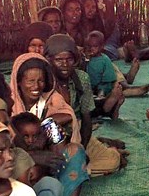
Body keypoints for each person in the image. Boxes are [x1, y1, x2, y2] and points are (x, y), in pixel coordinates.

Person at [44, 34, 124, 176]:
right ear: (49, 60)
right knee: (52, 170)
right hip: (51, 142)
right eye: (58, 60)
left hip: (78, 135)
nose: (64, 64)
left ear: (75, 59)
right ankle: (80, 171)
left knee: (112, 161)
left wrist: (82, 149)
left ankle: (80, 169)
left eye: (69, 59)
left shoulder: (81, 78)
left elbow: (87, 118)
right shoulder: (44, 81)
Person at [10, 112, 91, 196]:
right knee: (47, 184)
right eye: (25, 136)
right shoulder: (13, 153)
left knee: (73, 156)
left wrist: (52, 146)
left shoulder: (43, 143)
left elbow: (63, 159)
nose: (30, 141)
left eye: (35, 136)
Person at [9, 52, 80, 145]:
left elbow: (68, 114)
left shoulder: (52, 98)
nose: (36, 86)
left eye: (41, 81)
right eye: (30, 81)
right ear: (18, 82)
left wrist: (40, 124)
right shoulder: (10, 103)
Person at [85, 31, 124, 119]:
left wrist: (102, 88)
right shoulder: (86, 58)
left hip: (103, 85)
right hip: (89, 86)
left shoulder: (104, 59)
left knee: (101, 93)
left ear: (102, 46)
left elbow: (109, 76)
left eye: (95, 46)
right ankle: (110, 108)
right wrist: (86, 59)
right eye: (89, 46)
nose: (92, 49)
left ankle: (110, 101)